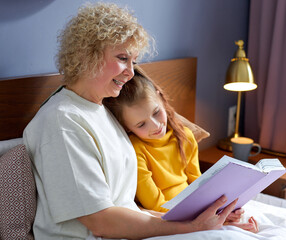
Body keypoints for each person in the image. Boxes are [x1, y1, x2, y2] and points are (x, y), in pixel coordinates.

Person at [23, 2, 252, 239]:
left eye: (133, 61)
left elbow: (124, 207)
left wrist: (207, 219)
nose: (131, 72)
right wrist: (192, 228)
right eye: (122, 58)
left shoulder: (101, 110)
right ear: (86, 55)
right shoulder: (62, 123)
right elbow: (100, 220)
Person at [104, 73, 259, 233]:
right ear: (127, 127)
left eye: (156, 112)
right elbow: (155, 204)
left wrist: (221, 209)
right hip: (169, 215)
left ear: (160, 99)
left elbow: (199, 183)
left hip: (194, 207)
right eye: (141, 124)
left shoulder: (185, 135)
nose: (156, 126)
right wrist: (201, 220)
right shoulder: (136, 150)